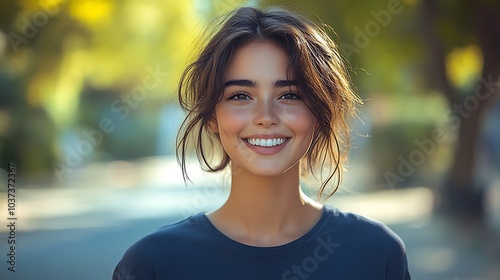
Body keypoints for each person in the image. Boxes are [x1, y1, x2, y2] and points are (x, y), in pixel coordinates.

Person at [113, 6, 411, 280]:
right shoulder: (153, 263)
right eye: (240, 96)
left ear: (319, 113)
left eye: (290, 95)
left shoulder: (377, 254)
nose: (265, 117)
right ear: (212, 116)